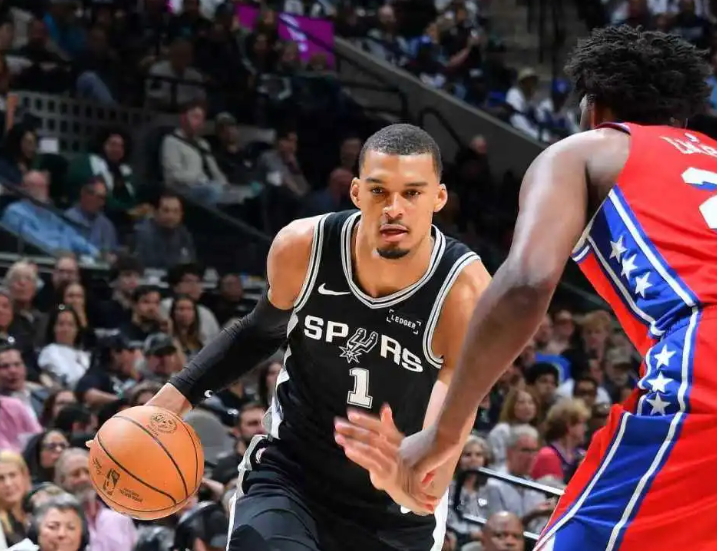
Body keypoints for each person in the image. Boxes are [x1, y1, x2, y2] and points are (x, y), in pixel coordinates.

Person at [334, 25, 717, 550]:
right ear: (683, 118)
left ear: (594, 109)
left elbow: (527, 282)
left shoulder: (586, 151)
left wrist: (444, 433)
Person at [131, 123, 491, 550]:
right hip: (291, 475)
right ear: (356, 192)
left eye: (412, 193)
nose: (394, 208)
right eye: (379, 191)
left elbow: (432, 478)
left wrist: (401, 478)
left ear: (439, 198)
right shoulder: (304, 247)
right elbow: (258, 332)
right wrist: (166, 404)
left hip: (393, 516)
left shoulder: (464, 294)